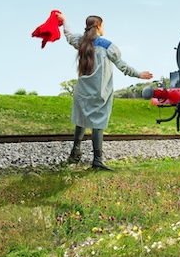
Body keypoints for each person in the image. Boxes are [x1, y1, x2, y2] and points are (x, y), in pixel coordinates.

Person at [62, 14, 153, 170]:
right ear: (99, 26)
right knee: (97, 123)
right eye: (103, 26)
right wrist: (139, 74)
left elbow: (68, 35)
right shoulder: (108, 46)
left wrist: (64, 21)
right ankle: (97, 159)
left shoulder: (81, 42)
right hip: (99, 92)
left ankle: (75, 153)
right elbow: (122, 66)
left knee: (81, 120)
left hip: (82, 91)